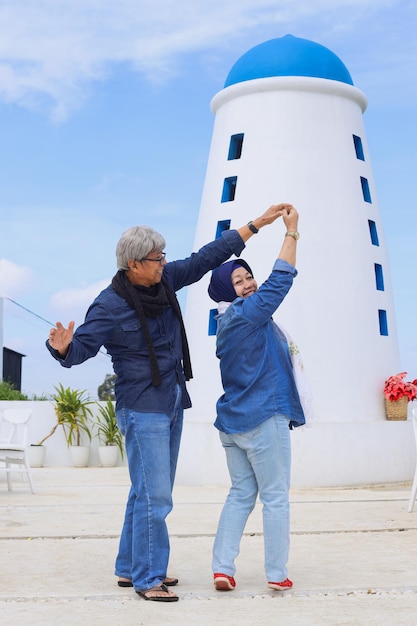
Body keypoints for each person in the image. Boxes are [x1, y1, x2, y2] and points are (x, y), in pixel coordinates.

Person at [46, 204, 286, 603]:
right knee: (156, 496)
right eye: (156, 259)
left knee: (145, 491)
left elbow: (207, 257)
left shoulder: (165, 281)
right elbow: (81, 348)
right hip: (141, 407)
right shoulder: (109, 305)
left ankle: (128, 566)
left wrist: (255, 225)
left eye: (162, 256)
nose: (163, 263)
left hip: (172, 397)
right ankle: (148, 576)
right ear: (134, 264)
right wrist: (64, 349)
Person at [207, 204, 305, 593]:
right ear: (224, 291)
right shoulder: (248, 313)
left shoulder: (227, 321)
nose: (248, 284)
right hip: (263, 417)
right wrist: (291, 232)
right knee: (276, 496)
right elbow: (281, 280)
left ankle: (222, 567)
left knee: (242, 493)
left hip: (233, 423)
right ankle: (277, 574)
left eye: (249, 277)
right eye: (238, 281)